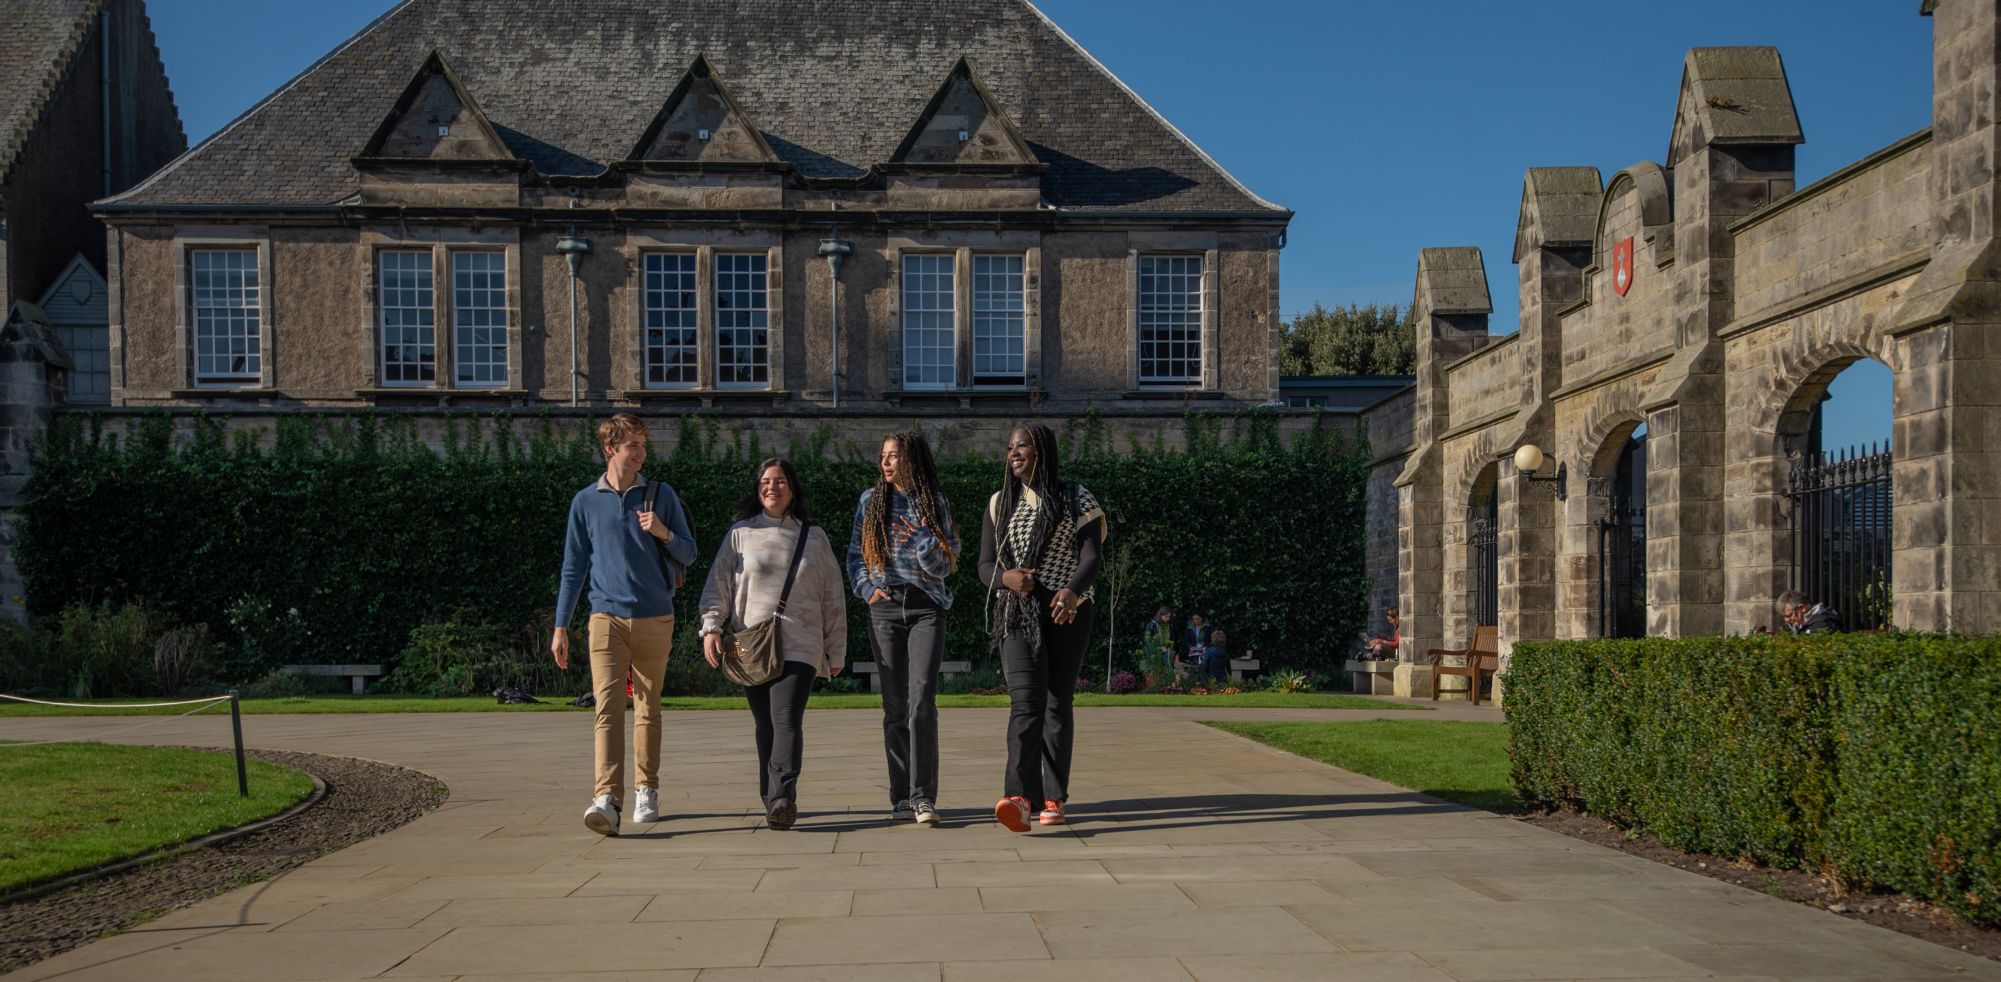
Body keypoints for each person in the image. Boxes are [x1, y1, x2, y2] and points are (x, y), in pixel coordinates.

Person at [552, 413, 696, 837]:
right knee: (607, 709)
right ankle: (607, 799)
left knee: (648, 708)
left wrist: (663, 532)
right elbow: (572, 568)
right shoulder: (585, 502)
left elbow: (689, 553)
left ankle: (646, 789)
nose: (641, 454)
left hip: (655, 615)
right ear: (610, 449)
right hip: (605, 617)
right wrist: (561, 626)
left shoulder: (660, 494)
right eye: (633, 445)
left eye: (643, 446)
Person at [699, 457, 847, 830]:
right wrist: (711, 627)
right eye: (765, 481)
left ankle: (782, 795)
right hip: (753, 644)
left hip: (801, 642)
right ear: (757, 488)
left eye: (780, 481)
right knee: (764, 722)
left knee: (786, 718)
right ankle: (772, 799)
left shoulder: (814, 536)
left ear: (793, 488)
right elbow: (719, 584)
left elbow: (833, 597)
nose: (772, 487)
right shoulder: (740, 533)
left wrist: (836, 648)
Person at [979, 423, 1106, 832]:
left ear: (1043, 451)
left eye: (1023, 447)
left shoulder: (1075, 497)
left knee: (1056, 703)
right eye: (1011, 447)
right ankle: (1018, 796)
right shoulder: (1001, 502)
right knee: (1026, 702)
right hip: (1017, 614)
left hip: (1067, 611)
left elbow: (1091, 555)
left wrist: (1071, 591)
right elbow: (985, 566)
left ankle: (1054, 797)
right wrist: (1007, 579)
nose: (1014, 454)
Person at [847, 430, 960, 826]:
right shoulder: (870, 502)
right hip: (886, 608)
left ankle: (923, 797)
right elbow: (855, 557)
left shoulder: (934, 502)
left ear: (912, 459)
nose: (887, 462)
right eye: (883, 456)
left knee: (921, 701)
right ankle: (901, 796)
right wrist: (867, 590)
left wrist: (923, 538)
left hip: (927, 607)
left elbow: (946, 565)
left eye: (894, 456)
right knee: (894, 707)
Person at [1777, 590, 1841, 634]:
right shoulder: (1797, 625)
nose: (1786, 620)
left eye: (1789, 615)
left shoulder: (1822, 624)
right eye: (1784, 616)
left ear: (1802, 608)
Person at [1141, 606, 1177, 673]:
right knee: (1155, 668)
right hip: (1154, 652)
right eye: (1166, 617)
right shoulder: (1151, 625)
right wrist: (1159, 648)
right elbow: (1147, 642)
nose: (1168, 619)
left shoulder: (1170, 626)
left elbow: (1172, 640)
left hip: (1166, 650)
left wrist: (1168, 647)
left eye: (1169, 617)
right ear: (1160, 615)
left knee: (1169, 659)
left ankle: (1170, 679)